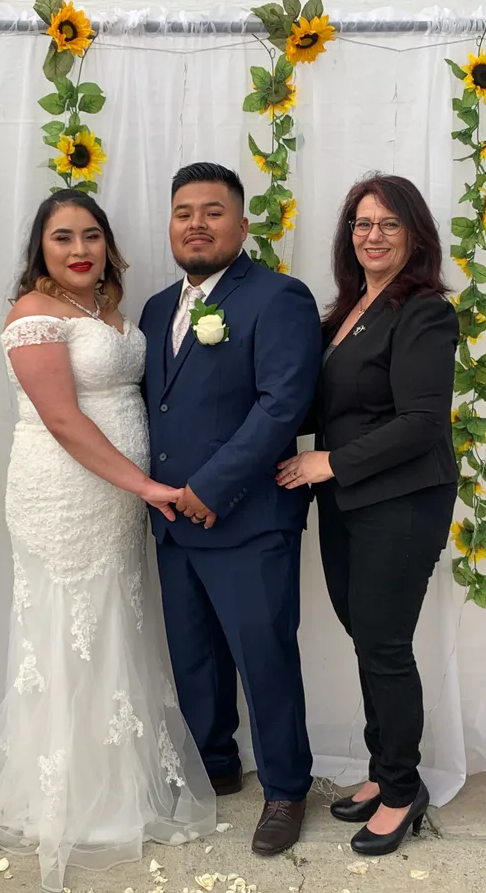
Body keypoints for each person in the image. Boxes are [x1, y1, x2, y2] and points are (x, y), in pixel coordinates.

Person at [0, 190, 215, 893]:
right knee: (68, 629)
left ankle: (121, 778)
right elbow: (64, 421)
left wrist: (140, 486)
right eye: (63, 237)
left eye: (91, 235)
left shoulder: (107, 310)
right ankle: (74, 797)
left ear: (108, 244)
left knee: (115, 621)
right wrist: (146, 485)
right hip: (64, 491)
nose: (79, 249)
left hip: (119, 498)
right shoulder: (32, 314)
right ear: (39, 250)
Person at [139, 162, 322, 856]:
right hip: (172, 521)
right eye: (184, 212)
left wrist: (212, 489)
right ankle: (214, 764)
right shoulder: (157, 308)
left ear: (242, 225)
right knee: (194, 658)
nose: (196, 224)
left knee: (263, 658)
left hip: (246, 518)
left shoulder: (279, 297)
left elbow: (282, 406)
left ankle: (286, 788)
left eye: (212, 212)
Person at [277, 173, 458, 856]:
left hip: (401, 502)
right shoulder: (350, 309)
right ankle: (385, 773)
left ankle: (403, 790)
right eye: (362, 223)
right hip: (350, 501)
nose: (373, 235)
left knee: (384, 646)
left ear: (414, 234)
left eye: (388, 223)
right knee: (368, 639)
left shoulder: (424, 311)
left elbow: (421, 421)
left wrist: (328, 462)